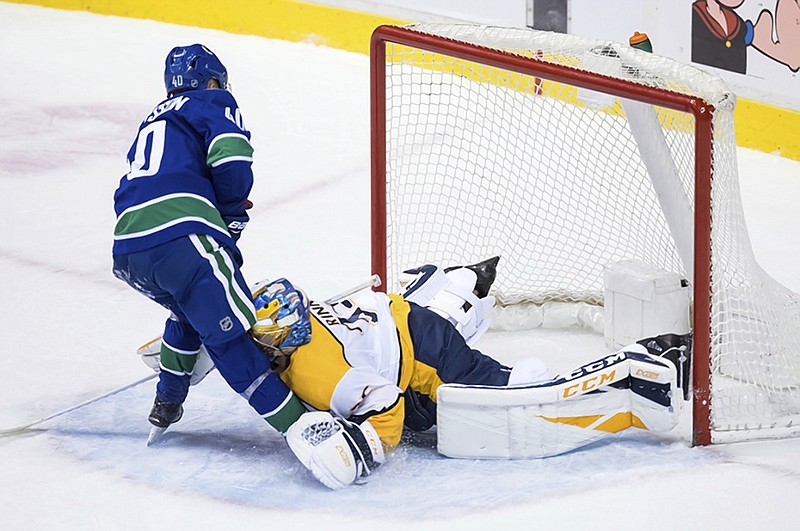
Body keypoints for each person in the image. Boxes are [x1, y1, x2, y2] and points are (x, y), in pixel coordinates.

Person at [247, 257, 691, 489]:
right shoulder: (301, 334)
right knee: (422, 342)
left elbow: (388, 406)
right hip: (402, 316)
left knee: (508, 395)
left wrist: (367, 450)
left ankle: (646, 358)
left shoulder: (316, 373)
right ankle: (462, 284)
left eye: (265, 336)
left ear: (290, 332)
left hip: (425, 352)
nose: (257, 343)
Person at [112, 44, 305, 442]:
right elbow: (231, 158)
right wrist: (232, 210)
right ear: (211, 80)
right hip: (181, 233)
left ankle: (167, 401)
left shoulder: (152, 120)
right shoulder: (212, 101)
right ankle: (301, 426)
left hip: (129, 246)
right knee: (229, 338)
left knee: (189, 310)